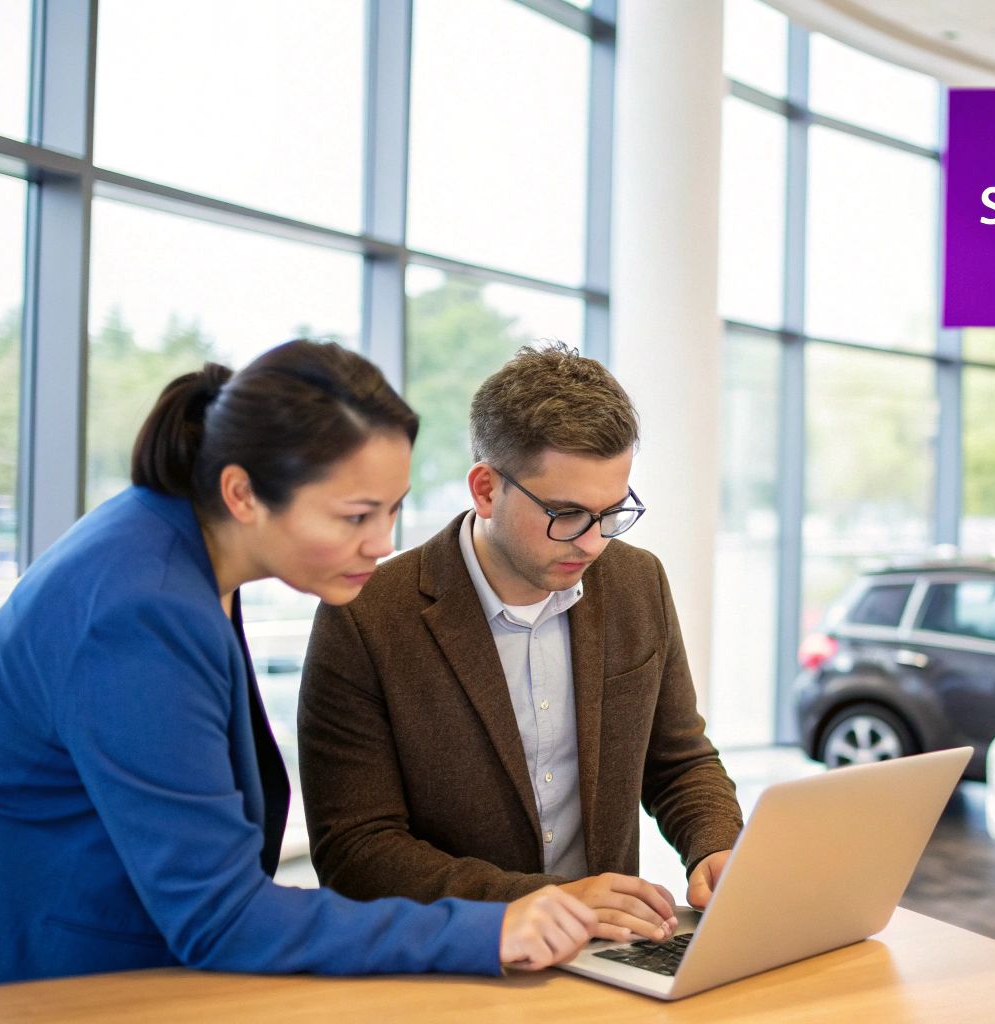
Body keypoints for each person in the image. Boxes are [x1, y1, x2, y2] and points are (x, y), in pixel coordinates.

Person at [0, 341, 597, 1001]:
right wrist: (490, 930)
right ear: (243, 493)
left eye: (393, 512)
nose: (381, 543)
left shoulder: (184, 550)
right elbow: (220, 916)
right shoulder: (141, 605)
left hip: (74, 959)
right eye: (354, 516)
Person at [299, 343, 743, 945]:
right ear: (485, 490)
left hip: (609, 958)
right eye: (566, 513)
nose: (592, 543)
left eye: (612, 513)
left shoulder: (638, 583)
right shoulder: (368, 617)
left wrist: (715, 844)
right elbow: (356, 851)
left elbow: (678, 759)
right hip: (461, 963)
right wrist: (545, 900)